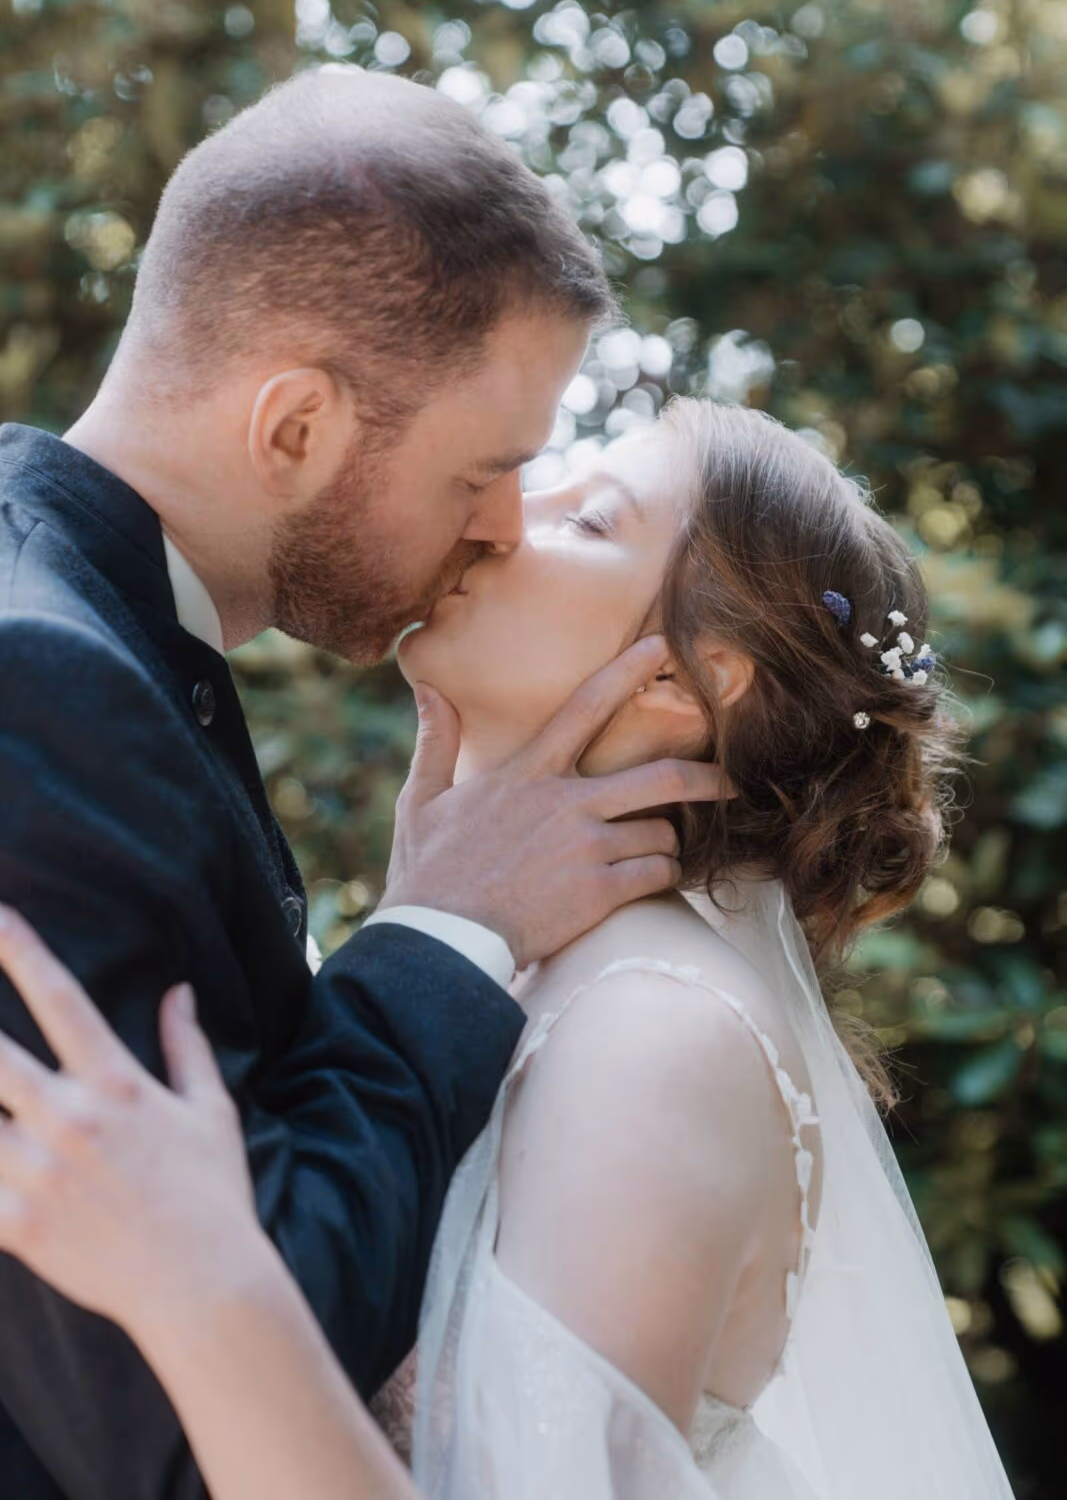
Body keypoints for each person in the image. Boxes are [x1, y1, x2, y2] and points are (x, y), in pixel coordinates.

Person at [0, 403, 1018, 1499]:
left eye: (589, 519)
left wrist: (203, 1294)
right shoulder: (520, 965)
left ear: (682, 681)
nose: (505, 516)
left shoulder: (657, 1034)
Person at [0, 68, 728, 1500]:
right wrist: (444, 934)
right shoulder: (42, 686)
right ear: (294, 430)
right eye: (481, 470)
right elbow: (176, 1413)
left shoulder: (96, 635)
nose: (503, 525)